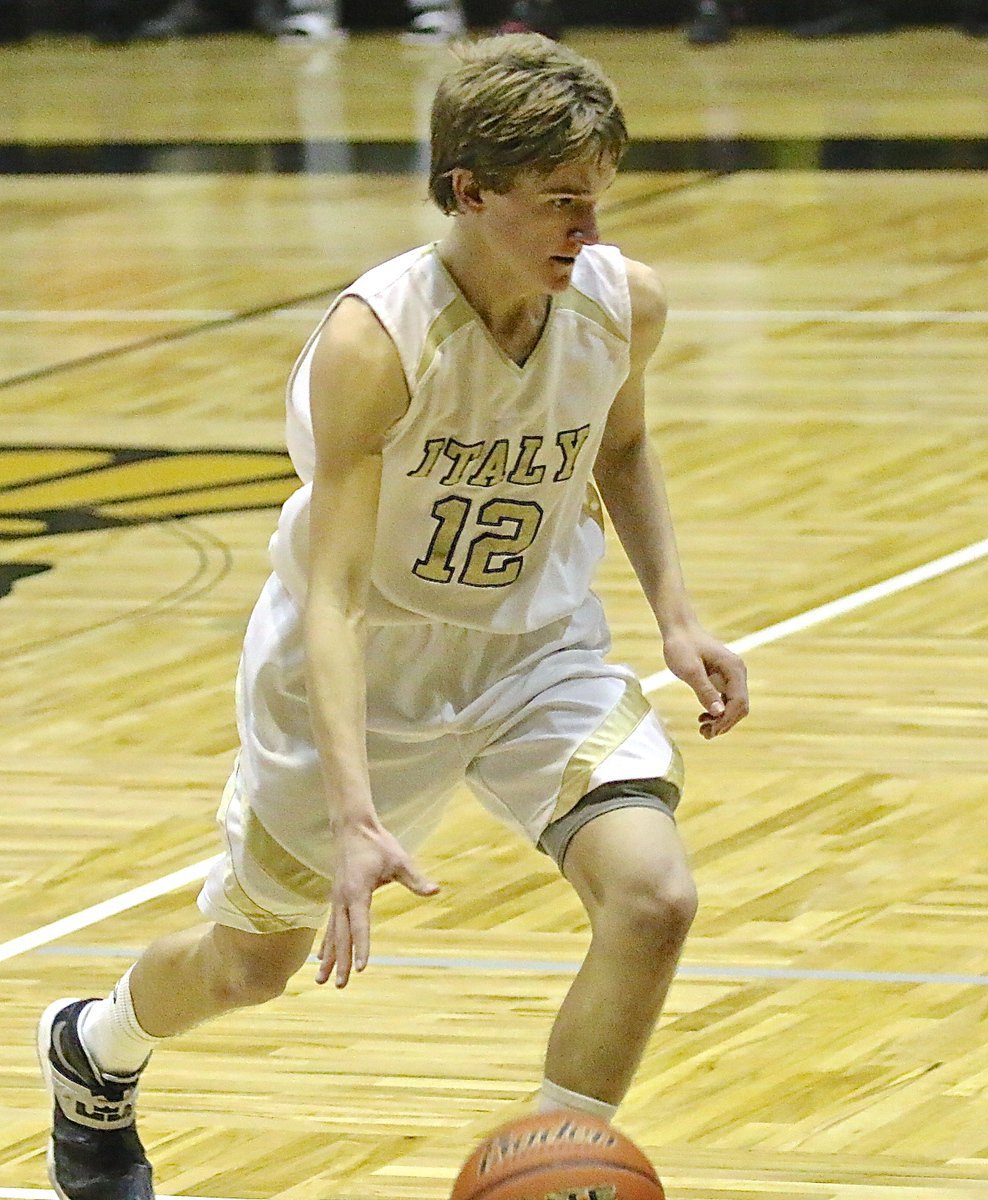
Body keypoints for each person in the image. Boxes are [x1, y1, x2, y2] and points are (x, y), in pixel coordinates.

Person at [37, 32, 749, 1200]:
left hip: (535, 653)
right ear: (470, 192)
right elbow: (326, 591)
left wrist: (677, 617)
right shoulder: (379, 339)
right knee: (246, 968)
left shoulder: (624, 306)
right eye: (561, 201)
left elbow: (618, 447)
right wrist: (359, 810)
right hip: (363, 667)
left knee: (654, 896)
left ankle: (555, 1166)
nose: (591, 227)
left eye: (597, 197)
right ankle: (94, 1048)